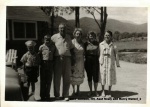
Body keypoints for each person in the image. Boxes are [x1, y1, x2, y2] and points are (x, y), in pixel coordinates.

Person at [51, 23, 73, 101]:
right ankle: (57, 94)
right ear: (58, 29)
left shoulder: (68, 37)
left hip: (67, 59)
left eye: (64, 28)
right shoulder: (54, 37)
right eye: (61, 28)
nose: (62, 30)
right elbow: (50, 48)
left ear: (66, 29)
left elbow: (71, 48)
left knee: (67, 78)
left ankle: (65, 95)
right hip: (57, 59)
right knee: (57, 78)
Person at [99, 30, 120, 97]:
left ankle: (109, 91)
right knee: (103, 76)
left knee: (109, 76)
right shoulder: (101, 44)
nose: (107, 36)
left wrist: (117, 63)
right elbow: (99, 53)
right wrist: (100, 61)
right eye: (106, 35)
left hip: (110, 62)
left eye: (108, 35)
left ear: (111, 36)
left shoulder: (113, 45)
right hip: (103, 62)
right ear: (104, 36)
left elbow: (116, 54)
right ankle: (103, 91)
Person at [38, 35, 55, 101]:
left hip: (50, 64)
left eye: (48, 39)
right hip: (43, 64)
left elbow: (54, 56)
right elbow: (39, 56)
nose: (47, 41)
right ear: (43, 40)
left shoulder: (53, 47)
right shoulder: (41, 47)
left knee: (49, 80)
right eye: (46, 39)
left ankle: (47, 95)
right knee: (43, 81)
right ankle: (42, 95)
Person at [84, 31, 99, 97]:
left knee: (95, 76)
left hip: (95, 60)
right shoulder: (85, 44)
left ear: (95, 37)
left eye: (93, 35)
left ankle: (95, 91)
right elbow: (83, 53)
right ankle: (90, 91)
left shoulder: (97, 43)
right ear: (88, 37)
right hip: (88, 61)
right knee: (89, 76)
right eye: (90, 35)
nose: (91, 37)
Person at [70, 28, 84, 96]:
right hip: (74, 60)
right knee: (73, 75)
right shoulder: (72, 42)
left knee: (79, 75)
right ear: (74, 34)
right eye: (77, 34)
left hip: (81, 62)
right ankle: (73, 90)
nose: (78, 35)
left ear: (81, 35)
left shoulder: (82, 43)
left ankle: (78, 90)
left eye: (79, 34)